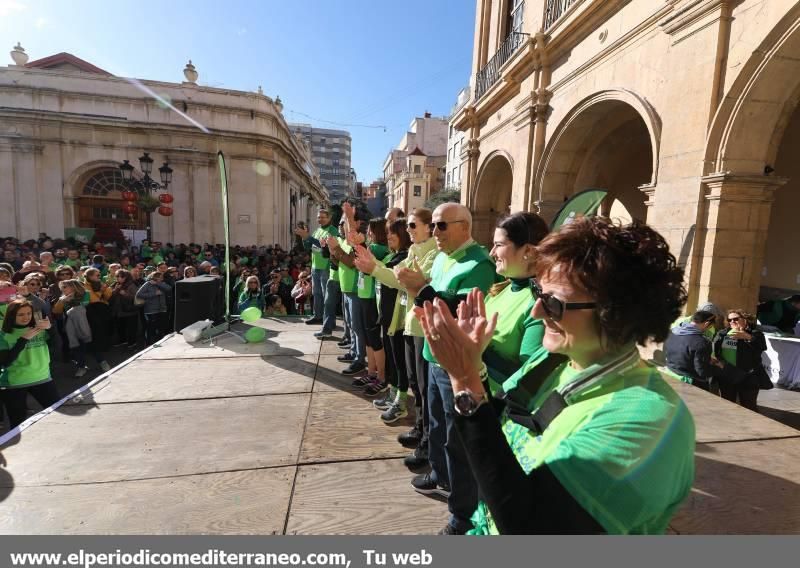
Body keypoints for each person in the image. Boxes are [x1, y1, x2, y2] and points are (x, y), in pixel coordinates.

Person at [417, 216, 696, 534]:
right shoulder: (558, 360)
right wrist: (472, 367)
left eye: (553, 302)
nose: (536, 311)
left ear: (614, 312)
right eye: (538, 291)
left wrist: (465, 380)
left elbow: (534, 531)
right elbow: (499, 425)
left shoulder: (645, 419)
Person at [396, 202, 498, 535]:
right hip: (433, 353)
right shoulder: (441, 257)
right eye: (434, 226)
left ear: (465, 227)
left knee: (459, 441)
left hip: (456, 364)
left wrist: (420, 289)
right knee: (439, 427)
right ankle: (440, 476)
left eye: (442, 226)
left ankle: (463, 514)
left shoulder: (480, 264)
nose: (435, 232)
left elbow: (458, 309)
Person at [0, 299, 58, 429]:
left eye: (28, 313)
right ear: (11, 316)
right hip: (14, 384)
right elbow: (5, 362)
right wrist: (23, 339)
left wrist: (51, 329)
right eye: (20, 314)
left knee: (58, 414)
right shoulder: (3, 335)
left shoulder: (40, 329)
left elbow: (56, 347)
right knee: (18, 426)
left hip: (43, 379)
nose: (26, 317)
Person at [712, 309, 771, 411]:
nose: (732, 322)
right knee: (727, 405)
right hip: (728, 375)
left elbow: (762, 347)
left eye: (735, 319)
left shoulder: (756, 334)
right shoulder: (722, 334)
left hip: (749, 376)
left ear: (745, 320)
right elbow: (715, 352)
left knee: (749, 407)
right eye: (729, 320)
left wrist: (747, 337)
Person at [294, 209, 339, 325]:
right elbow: (308, 247)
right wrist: (304, 238)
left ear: (329, 218)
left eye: (323, 217)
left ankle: (329, 321)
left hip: (326, 266)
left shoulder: (333, 230)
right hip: (315, 266)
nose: (320, 219)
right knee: (316, 293)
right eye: (319, 217)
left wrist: (308, 237)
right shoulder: (318, 230)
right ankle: (317, 316)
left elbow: (324, 245)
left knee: (327, 296)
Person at [664, 310, 720, 390]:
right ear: (707, 324)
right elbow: (701, 371)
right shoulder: (703, 342)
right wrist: (717, 368)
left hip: (670, 374)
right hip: (689, 384)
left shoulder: (674, 332)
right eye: (710, 327)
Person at [135, 271, 172, 346]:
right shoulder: (147, 284)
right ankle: (149, 343)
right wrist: (154, 294)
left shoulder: (162, 284)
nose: (160, 278)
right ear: (153, 277)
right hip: (151, 310)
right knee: (151, 327)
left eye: (161, 277)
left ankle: (160, 342)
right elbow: (139, 294)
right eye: (158, 277)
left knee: (161, 327)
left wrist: (158, 283)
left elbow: (169, 289)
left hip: (162, 309)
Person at [110, 269, 140, 348]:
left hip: (130, 311)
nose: (119, 278)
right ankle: (122, 341)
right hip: (119, 311)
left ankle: (132, 343)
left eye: (122, 276)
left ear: (127, 277)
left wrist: (125, 294)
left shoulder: (132, 285)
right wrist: (116, 290)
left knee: (131, 328)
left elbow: (137, 297)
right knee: (120, 328)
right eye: (117, 276)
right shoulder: (115, 284)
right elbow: (110, 296)